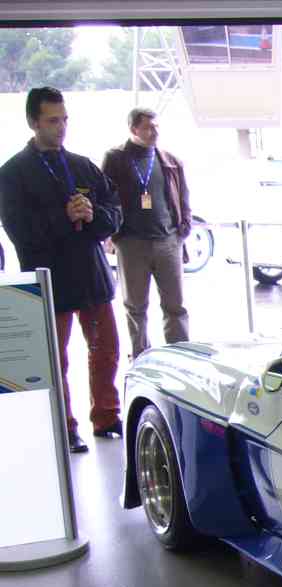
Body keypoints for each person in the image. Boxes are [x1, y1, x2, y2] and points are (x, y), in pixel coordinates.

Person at [0, 87, 123, 453]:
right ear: (33, 122)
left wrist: (93, 215)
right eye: (53, 120)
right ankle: (64, 425)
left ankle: (106, 416)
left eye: (65, 119)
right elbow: (19, 231)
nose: (61, 127)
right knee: (56, 360)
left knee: (106, 351)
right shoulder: (12, 174)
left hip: (92, 278)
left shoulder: (84, 165)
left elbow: (115, 212)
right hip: (50, 280)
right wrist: (63, 216)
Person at [101, 107, 192, 360]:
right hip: (132, 244)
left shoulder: (170, 160)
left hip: (168, 241)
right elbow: (105, 195)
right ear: (134, 129)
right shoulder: (116, 158)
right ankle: (141, 355)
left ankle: (181, 355)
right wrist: (115, 234)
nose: (155, 132)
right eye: (148, 127)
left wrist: (182, 230)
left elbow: (183, 197)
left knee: (175, 305)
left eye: (157, 126)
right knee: (136, 306)